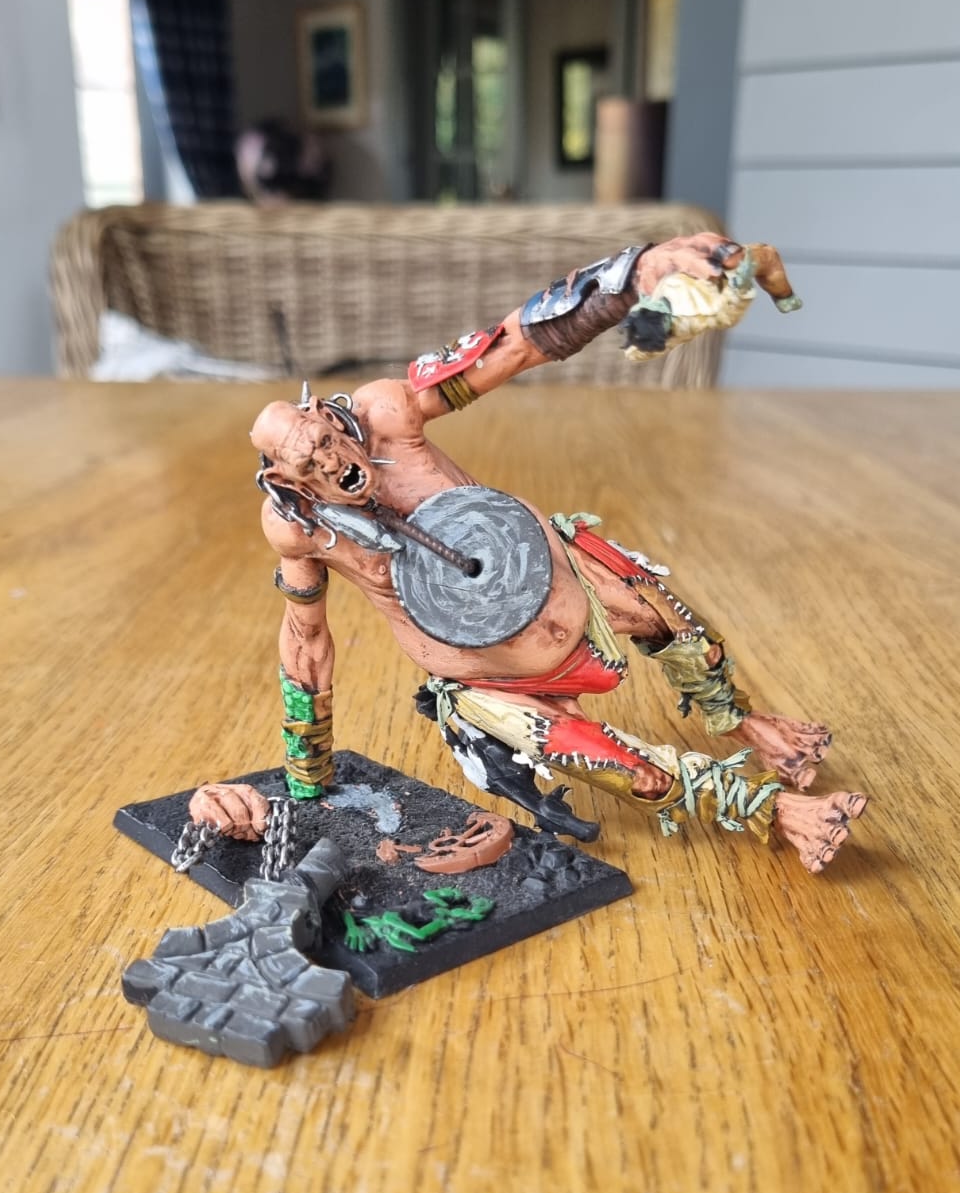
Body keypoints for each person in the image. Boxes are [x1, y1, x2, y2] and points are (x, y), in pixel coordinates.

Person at [195, 233, 867, 875]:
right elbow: (305, 641)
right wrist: (308, 774)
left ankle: (749, 724)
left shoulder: (389, 412)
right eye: (309, 464)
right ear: (284, 479)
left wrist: (631, 278)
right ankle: (775, 813)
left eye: (326, 440)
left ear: (326, 416)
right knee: (626, 771)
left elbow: (511, 346)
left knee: (666, 616)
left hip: (569, 585)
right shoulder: (296, 529)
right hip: (490, 680)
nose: (332, 463)